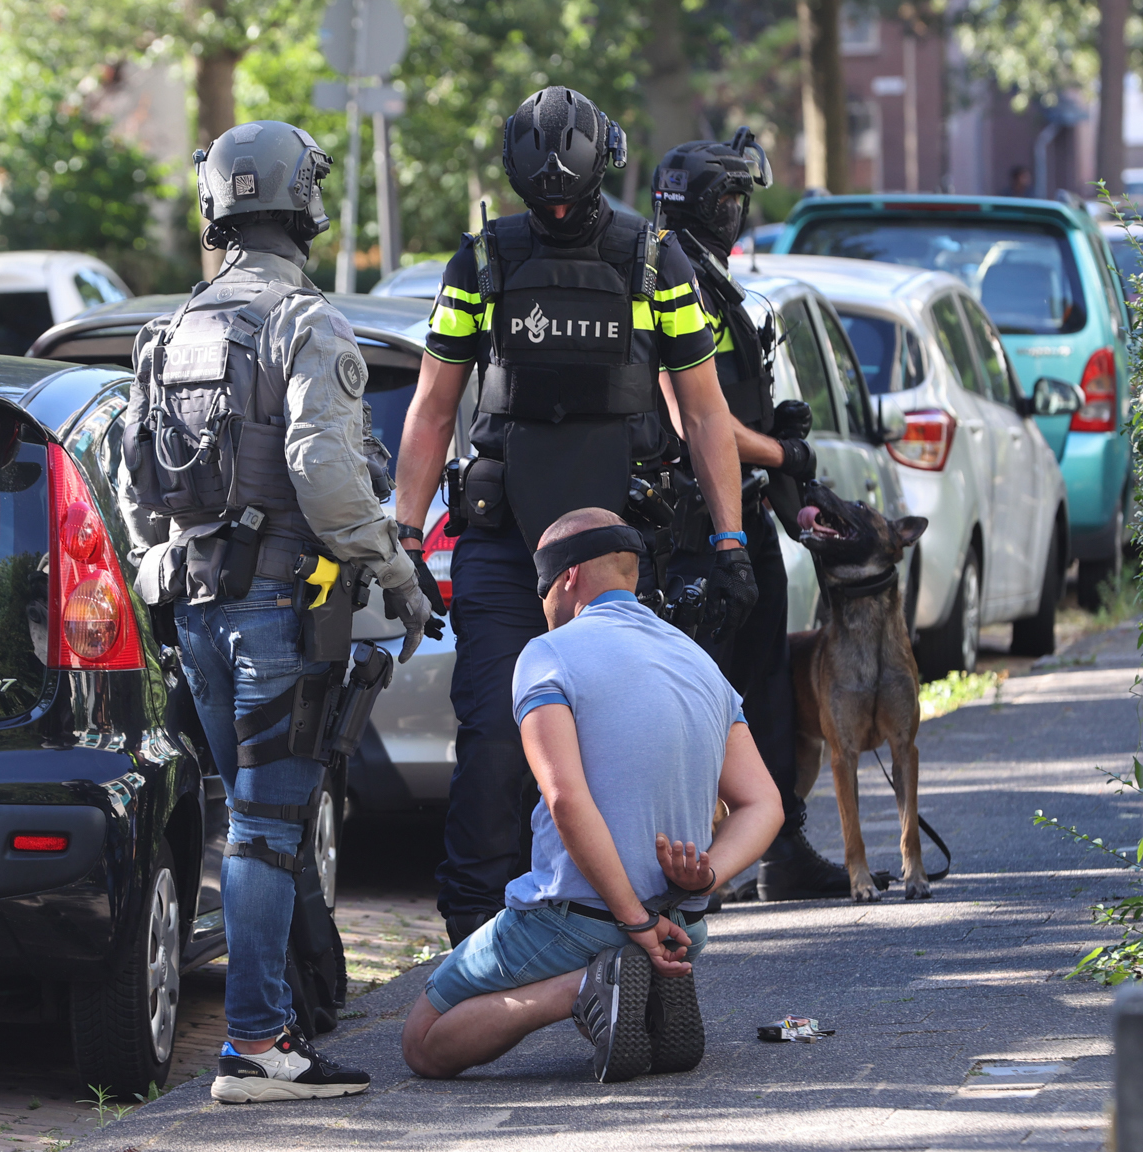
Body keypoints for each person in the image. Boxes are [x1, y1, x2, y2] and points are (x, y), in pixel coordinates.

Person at [119, 119, 437, 1105]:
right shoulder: (308, 324)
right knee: (264, 826)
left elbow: (135, 487)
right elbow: (325, 473)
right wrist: (394, 570)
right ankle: (255, 1046)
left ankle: (280, 1020)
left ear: (215, 208)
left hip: (196, 611)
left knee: (247, 822)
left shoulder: (173, 330)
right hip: (277, 612)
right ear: (302, 205)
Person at [392, 86, 756, 947]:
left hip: (623, 550)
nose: (555, 210)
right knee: (489, 737)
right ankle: (475, 927)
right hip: (504, 538)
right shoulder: (482, 263)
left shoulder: (652, 259)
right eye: (539, 197)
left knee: (628, 740)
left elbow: (704, 413)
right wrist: (406, 536)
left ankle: (628, 917)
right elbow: (433, 405)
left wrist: (732, 539)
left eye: (569, 195)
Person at [399, 508, 786, 1083]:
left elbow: (565, 799)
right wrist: (704, 876)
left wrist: (630, 923)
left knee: (422, 1042)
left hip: (584, 921)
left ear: (568, 578)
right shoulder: (701, 664)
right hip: (681, 930)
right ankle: (627, 989)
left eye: (542, 589)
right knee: (626, 954)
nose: (544, 607)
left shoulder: (548, 654)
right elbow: (764, 805)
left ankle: (587, 986)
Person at [651, 133, 852, 900]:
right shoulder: (680, 287)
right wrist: (781, 453)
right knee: (716, 684)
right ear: (711, 206)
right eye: (732, 200)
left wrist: (781, 436)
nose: (740, 214)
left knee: (760, 679)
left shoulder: (706, 279)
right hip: (702, 524)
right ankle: (720, 855)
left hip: (739, 513)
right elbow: (697, 417)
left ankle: (776, 845)